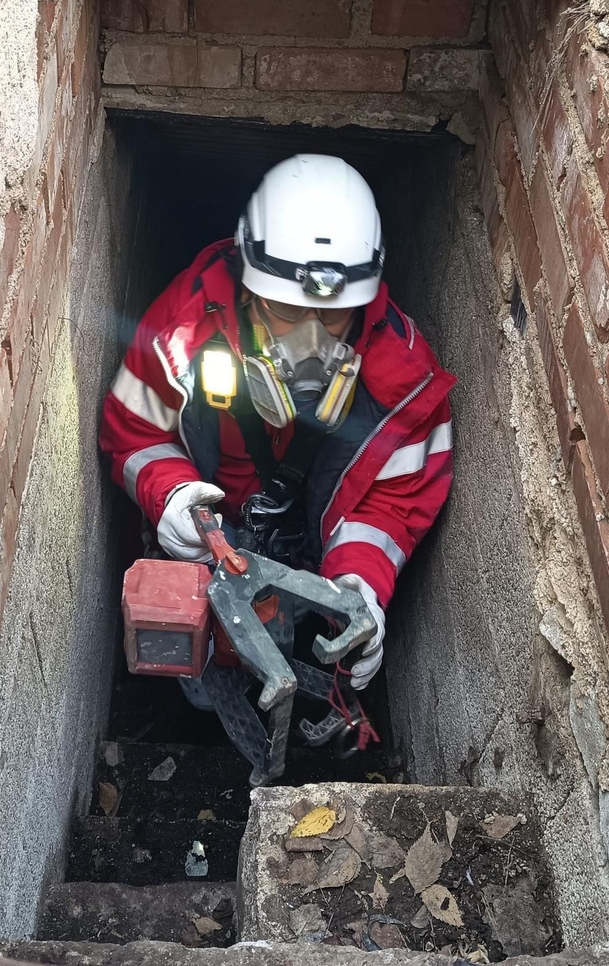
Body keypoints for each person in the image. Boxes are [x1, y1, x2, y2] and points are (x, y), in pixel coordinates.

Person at [100, 154, 455, 692]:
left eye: (332, 315)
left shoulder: (403, 386)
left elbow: (393, 504)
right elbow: (135, 431)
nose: (312, 339)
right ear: (248, 286)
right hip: (211, 535)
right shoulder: (185, 331)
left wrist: (357, 588)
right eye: (287, 310)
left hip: (310, 554)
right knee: (196, 680)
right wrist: (171, 495)